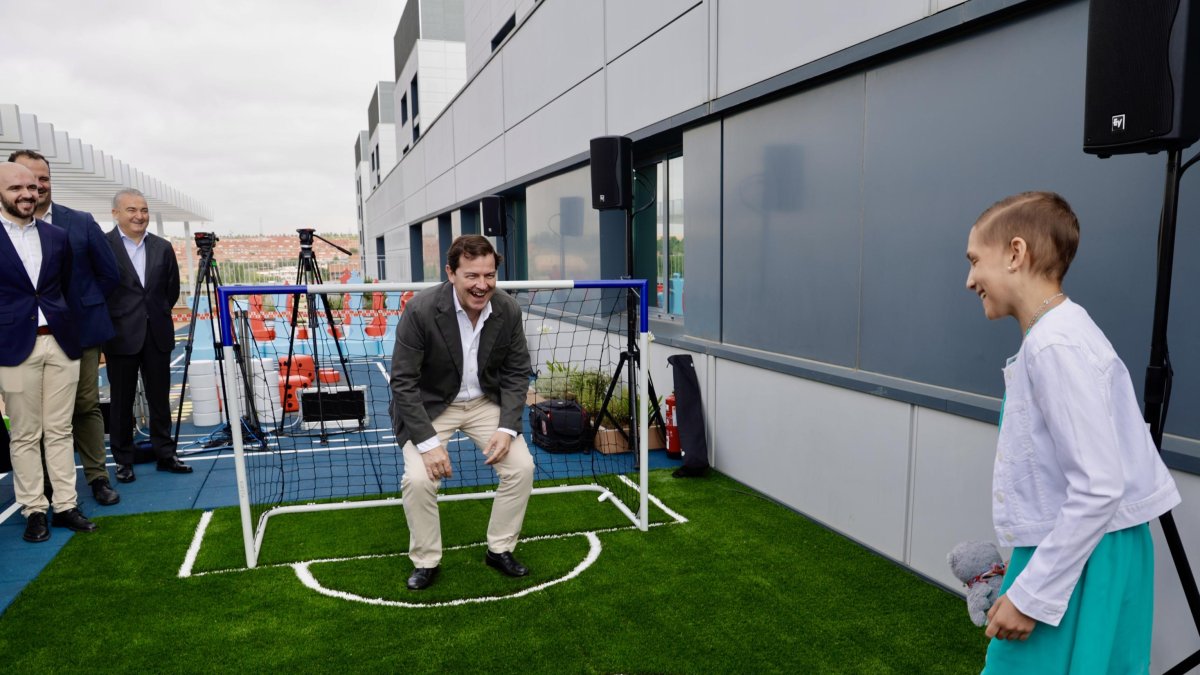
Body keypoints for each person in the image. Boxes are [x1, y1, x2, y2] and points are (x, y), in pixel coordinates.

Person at [964, 191, 1181, 673]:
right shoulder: (1060, 335)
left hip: (1080, 555)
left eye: (976, 261)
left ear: (1016, 253)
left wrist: (1032, 595)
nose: (970, 279)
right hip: (1089, 549)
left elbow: (1099, 485)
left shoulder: (1054, 345)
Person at [389, 235, 535, 590]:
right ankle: (426, 560)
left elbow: (517, 373)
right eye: (472, 276)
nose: (481, 285)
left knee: (522, 467)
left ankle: (499, 549)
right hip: (432, 405)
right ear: (451, 273)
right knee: (420, 479)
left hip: (484, 402)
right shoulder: (421, 310)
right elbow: (403, 382)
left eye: (489, 275)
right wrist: (427, 442)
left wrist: (507, 426)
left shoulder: (507, 309)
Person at [9, 150, 122, 506]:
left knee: (85, 404)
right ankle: (40, 488)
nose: (35, 187)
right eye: (26, 180)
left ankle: (97, 476)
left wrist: (76, 311)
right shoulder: (4, 231)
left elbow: (109, 274)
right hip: (17, 340)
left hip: (80, 333)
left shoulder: (80, 221)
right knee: (26, 419)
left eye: (42, 179)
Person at [0, 161, 97, 541]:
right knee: (24, 434)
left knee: (60, 429)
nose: (27, 194)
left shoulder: (56, 236)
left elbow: (63, 287)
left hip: (60, 342)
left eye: (32, 187)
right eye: (15, 189)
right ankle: (34, 509)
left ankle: (65, 505)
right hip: (12, 347)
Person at [104, 188, 190, 482]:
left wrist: (154, 314)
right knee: (121, 402)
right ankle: (123, 461)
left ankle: (165, 454)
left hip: (157, 333)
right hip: (120, 336)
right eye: (131, 210)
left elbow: (171, 290)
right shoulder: (103, 246)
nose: (139, 216)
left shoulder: (163, 247)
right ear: (115, 213)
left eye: (143, 210)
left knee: (159, 399)